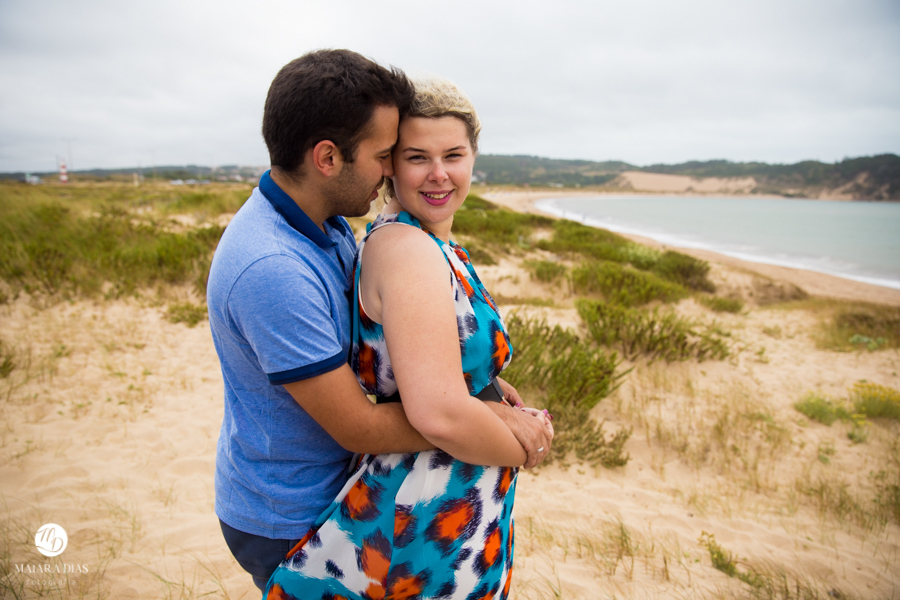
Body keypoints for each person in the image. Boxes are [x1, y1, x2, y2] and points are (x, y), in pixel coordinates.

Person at [206, 50, 553, 592]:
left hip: (340, 485)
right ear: (327, 158)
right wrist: (495, 423)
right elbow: (359, 425)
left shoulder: (326, 223)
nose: (390, 171)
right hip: (294, 511)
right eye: (387, 154)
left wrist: (474, 386)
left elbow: (381, 346)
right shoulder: (271, 267)